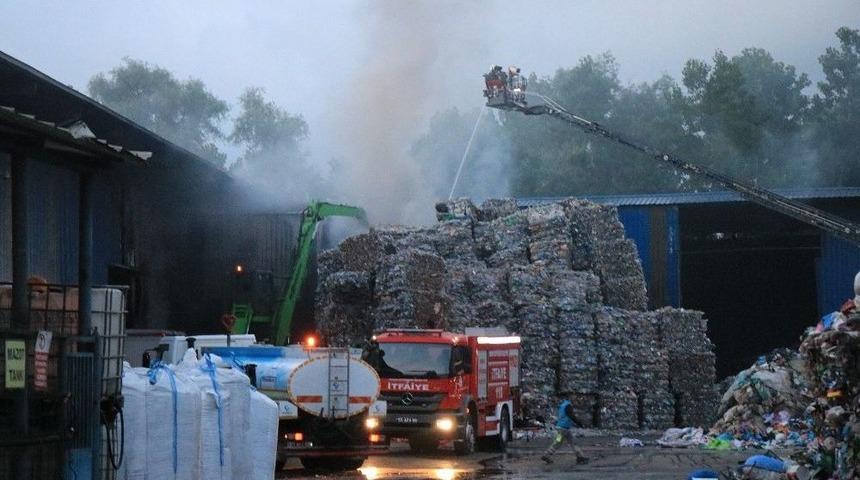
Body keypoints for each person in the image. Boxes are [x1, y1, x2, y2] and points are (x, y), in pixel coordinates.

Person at [541, 395, 589, 464]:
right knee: (564, 442)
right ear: (570, 399)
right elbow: (571, 416)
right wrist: (580, 423)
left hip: (562, 428)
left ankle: (580, 457)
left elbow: (564, 416)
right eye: (574, 398)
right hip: (563, 429)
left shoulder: (562, 405)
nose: (575, 400)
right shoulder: (568, 406)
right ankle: (546, 455)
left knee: (568, 442)